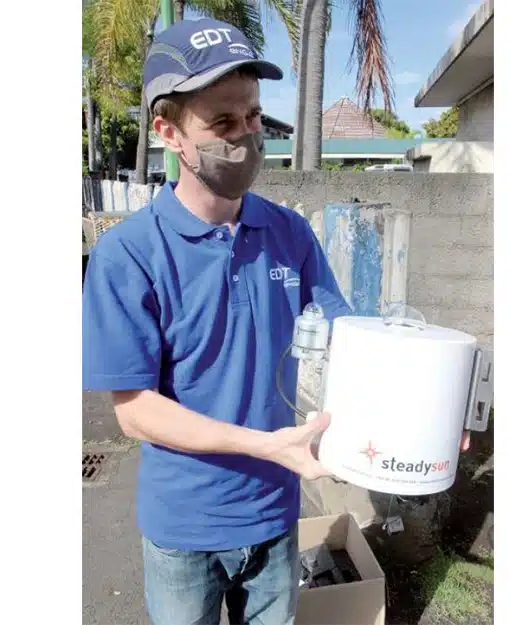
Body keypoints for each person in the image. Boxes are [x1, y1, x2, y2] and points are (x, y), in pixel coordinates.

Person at [81, 18, 353, 625]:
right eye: (222, 123)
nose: (246, 136)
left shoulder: (289, 233)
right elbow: (134, 411)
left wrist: (419, 408)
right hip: (185, 525)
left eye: (253, 116)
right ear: (168, 132)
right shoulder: (129, 254)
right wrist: (264, 446)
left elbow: (347, 340)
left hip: (276, 513)